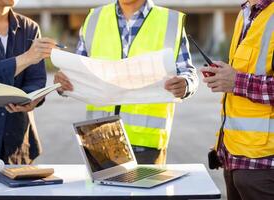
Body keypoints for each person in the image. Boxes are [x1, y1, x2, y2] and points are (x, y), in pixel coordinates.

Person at [54, 0, 198, 164]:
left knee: (146, 190)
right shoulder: (94, 18)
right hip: (99, 138)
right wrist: (64, 81)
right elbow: (79, 70)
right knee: (101, 190)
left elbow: (188, 72)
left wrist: (186, 84)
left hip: (146, 143)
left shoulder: (170, 22)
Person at [201, 0, 274, 199]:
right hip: (235, 160)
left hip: (265, 166)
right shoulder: (246, 13)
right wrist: (224, 75)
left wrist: (237, 81)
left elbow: (239, 81)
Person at [0, 0, 56, 164]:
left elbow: (36, 79)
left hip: (18, 146)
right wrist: (26, 58)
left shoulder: (30, 28)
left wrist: (30, 99)